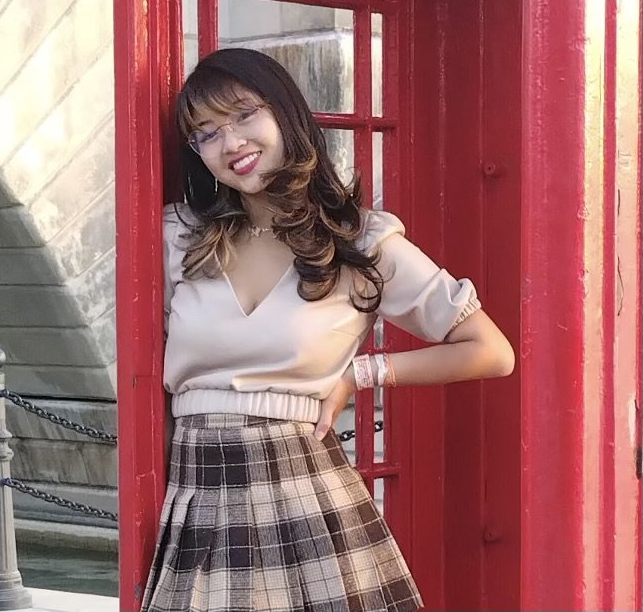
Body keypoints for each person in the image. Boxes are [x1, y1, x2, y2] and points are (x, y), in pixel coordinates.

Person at [141, 47, 515, 612]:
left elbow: (491, 351)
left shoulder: (361, 243)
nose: (231, 142)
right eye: (207, 133)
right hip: (200, 502)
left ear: (285, 113)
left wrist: (363, 373)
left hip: (305, 500)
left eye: (245, 115)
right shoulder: (181, 237)